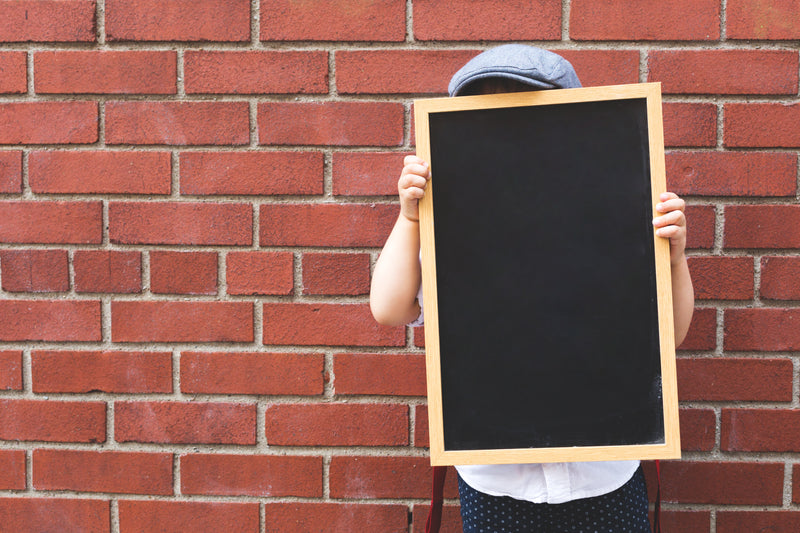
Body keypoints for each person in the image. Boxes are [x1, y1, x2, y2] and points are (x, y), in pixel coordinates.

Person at [370, 45, 694, 533]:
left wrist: (675, 256)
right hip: (498, 481)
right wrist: (409, 217)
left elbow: (671, 335)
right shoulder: (453, 226)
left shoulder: (614, 214)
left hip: (603, 473)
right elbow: (389, 308)